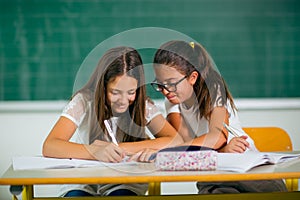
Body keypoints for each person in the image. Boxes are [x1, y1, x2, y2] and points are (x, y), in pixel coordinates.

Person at [42, 46, 183, 197]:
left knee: (121, 195)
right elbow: (50, 145)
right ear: (102, 86)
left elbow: (175, 141)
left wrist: (120, 148)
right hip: (84, 180)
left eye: (131, 92)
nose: (123, 101)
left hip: (124, 181)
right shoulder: (84, 101)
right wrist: (94, 152)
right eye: (115, 92)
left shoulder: (142, 106)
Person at [151, 40, 287, 193]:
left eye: (171, 83)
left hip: (244, 162)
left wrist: (178, 149)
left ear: (192, 77)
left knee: (273, 190)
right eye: (160, 84)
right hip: (215, 167)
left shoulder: (213, 89)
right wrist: (218, 152)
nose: (166, 90)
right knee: (212, 192)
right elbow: (186, 144)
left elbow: (217, 138)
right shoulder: (172, 102)